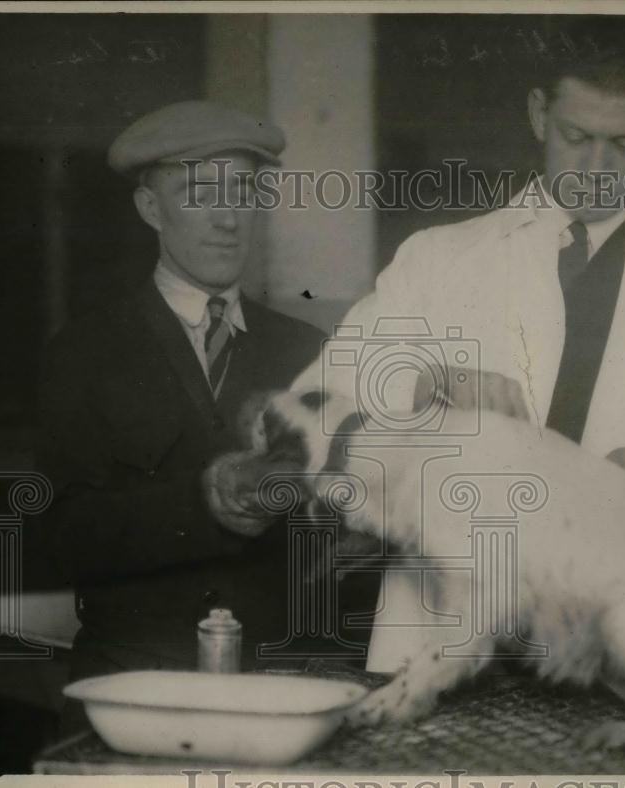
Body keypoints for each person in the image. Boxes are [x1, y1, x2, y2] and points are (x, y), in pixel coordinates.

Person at [285, 19, 625, 670]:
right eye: (577, 137)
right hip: (435, 641)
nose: (597, 167)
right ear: (540, 115)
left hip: (610, 654)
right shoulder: (436, 262)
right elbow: (309, 416)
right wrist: (419, 401)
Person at [35, 101, 374, 687]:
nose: (228, 219)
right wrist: (204, 505)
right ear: (150, 209)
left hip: (283, 681)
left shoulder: (312, 352)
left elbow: (343, 537)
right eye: (199, 192)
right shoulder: (84, 350)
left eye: (241, 191)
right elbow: (61, 540)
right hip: (136, 681)